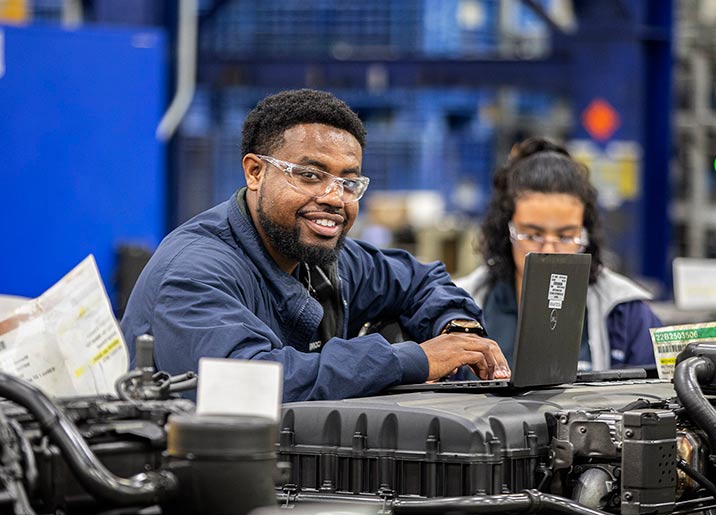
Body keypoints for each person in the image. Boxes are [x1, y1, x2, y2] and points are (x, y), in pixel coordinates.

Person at [121, 89, 509, 402]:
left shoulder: (321, 254)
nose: (333, 197)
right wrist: (412, 359)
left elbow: (420, 281)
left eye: (348, 182)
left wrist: (459, 333)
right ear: (255, 172)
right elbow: (246, 381)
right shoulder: (195, 270)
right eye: (309, 175)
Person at [456, 137, 662, 372]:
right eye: (533, 235)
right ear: (506, 231)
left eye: (565, 236)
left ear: (586, 234)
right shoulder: (462, 306)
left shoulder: (625, 313)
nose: (549, 250)